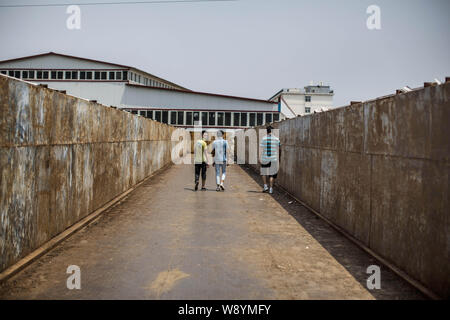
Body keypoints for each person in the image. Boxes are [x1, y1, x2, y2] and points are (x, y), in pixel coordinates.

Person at [260, 125, 281, 194]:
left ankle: (265, 186)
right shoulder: (277, 139)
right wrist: (279, 157)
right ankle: (271, 189)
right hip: (273, 158)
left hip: (265, 158)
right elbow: (280, 149)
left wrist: (259, 157)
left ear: (267, 131)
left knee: (263, 172)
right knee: (272, 174)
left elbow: (261, 149)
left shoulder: (263, 139)